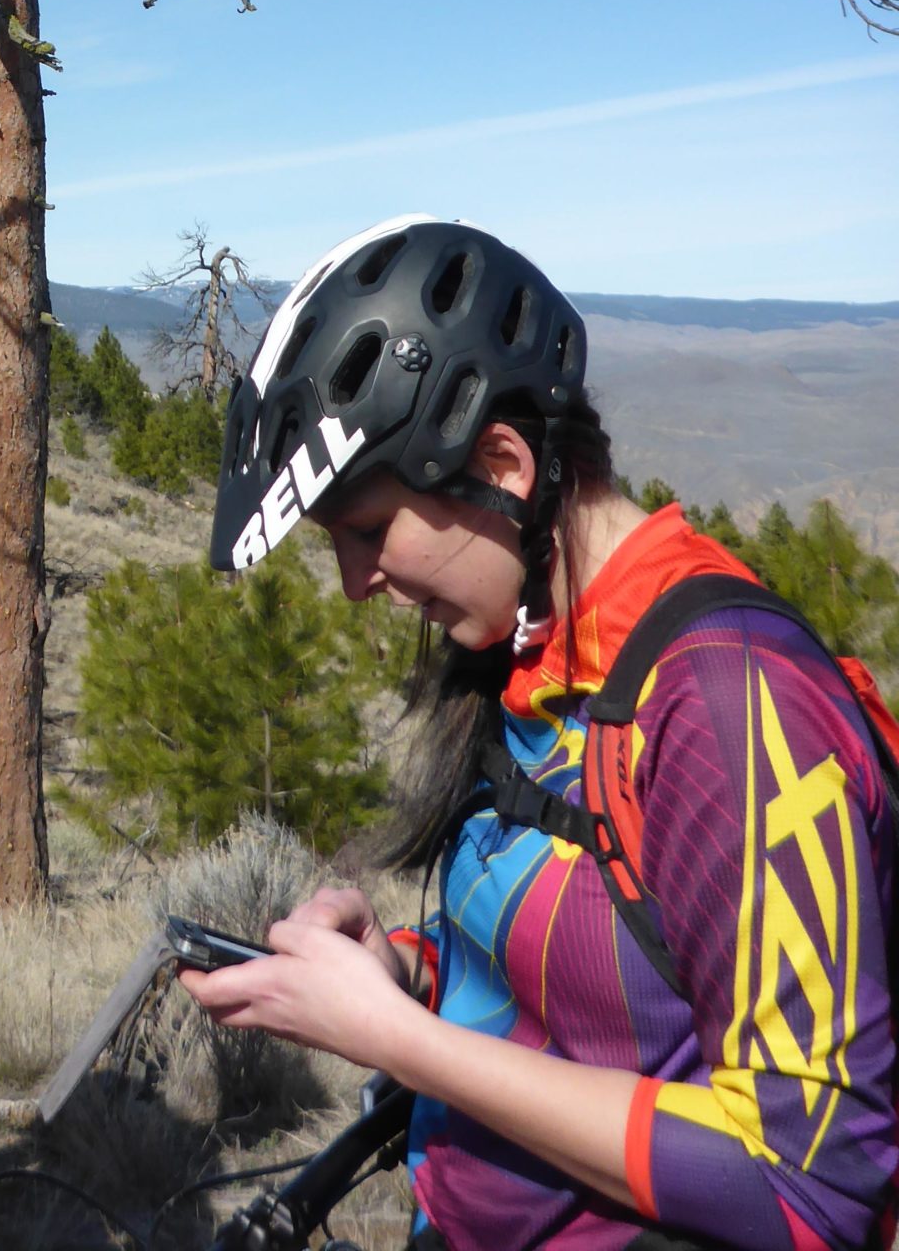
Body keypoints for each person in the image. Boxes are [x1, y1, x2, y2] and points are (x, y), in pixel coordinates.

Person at [188, 213, 898, 1251]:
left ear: (504, 462)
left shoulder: (727, 702)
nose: (352, 586)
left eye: (368, 531)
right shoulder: (542, 653)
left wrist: (398, 1039)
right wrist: (408, 973)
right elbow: (622, 989)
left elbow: (806, 1184)